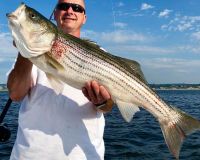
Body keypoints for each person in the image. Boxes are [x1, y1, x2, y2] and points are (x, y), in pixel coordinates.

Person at [7, 0, 113, 159]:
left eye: (77, 8)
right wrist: (25, 49)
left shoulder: (102, 55)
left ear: (84, 18)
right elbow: (15, 94)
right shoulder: (28, 54)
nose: (70, 10)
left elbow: (108, 107)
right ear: (55, 14)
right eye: (63, 6)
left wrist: (102, 102)